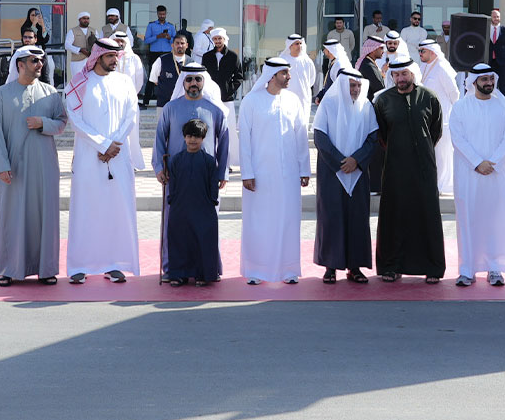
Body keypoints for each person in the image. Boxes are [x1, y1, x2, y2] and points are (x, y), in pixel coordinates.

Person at [64, 36, 140, 284]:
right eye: (110, 56)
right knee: (85, 209)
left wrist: (114, 144)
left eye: (117, 56)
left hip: (118, 157)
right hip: (88, 157)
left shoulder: (125, 82)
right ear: (97, 56)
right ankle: (79, 265)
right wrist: (103, 144)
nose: (115, 60)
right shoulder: (79, 83)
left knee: (116, 209)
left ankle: (114, 263)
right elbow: (75, 120)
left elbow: (131, 115)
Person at [0, 45, 66, 286]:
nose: (39, 65)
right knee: (11, 217)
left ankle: (46, 269)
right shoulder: (2, 94)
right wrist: (1, 165)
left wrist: (43, 122)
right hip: (13, 167)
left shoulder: (51, 93)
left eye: (41, 61)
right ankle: (9, 269)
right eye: (34, 61)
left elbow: (62, 123)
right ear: (20, 65)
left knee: (45, 216)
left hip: (44, 166)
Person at [154, 62, 232, 275]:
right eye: (189, 79)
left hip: (205, 177)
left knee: (205, 224)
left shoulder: (215, 109)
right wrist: (159, 168)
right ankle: (174, 269)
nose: (193, 83)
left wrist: (222, 171)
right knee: (176, 223)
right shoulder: (171, 108)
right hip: (176, 176)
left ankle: (206, 268)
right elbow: (160, 138)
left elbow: (224, 142)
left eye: (198, 79)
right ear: (183, 82)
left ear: (204, 82)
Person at [238, 57, 310, 284]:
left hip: (288, 174)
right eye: (285, 74)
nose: (289, 77)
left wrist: (304, 168)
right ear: (272, 76)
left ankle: (288, 270)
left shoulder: (293, 100)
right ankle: (257, 271)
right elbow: (244, 141)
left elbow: (301, 136)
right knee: (259, 221)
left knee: (288, 219)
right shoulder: (251, 101)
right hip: (260, 175)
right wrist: (246, 173)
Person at [373, 57, 445, 283]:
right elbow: (381, 135)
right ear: (391, 76)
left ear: (412, 74)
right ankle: (392, 267)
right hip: (395, 167)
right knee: (395, 215)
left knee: (426, 214)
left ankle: (431, 267)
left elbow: (436, 131)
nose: (400, 79)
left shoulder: (429, 98)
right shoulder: (383, 101)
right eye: (396, 75)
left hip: (424, 167)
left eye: (404, 74)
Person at [449, 63, 505, 287]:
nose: (489, 83)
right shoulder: (460, 107)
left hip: (496, 173)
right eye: (484, 80)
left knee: (494, 220)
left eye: (491, 79)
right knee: (468, 219)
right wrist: (478, 162)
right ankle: (467, 270)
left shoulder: (504, 108)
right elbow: (458, 139)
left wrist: (494, 162)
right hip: (469, 173)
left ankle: (495, 268)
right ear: (474, 82)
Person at [312, 68, 378, 284]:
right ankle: (330, 266)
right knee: (331, 217)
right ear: (342, 85)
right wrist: (341, 162)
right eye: (351, 85)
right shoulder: (328, 105)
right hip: (332, 171)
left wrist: (356, 160)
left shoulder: (366, 106)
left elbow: (373, 137)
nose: (356, 89)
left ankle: (355, 267)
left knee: (357, 218)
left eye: (359, 85)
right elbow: (320, 137)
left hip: (358, 172)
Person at [165, 119, 221, 287]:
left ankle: (203, 274)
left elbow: (213, 185)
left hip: (204, 206)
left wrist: (211, 201)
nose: (192, 140)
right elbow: (172, 184)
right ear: (183, 137)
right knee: (179, 239)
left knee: (203, 239)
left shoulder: (210, 161)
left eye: (197, 136)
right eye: (189, 136)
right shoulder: (175, 160)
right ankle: (178, 274)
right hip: (180, 206)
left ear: (203, 138)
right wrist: (172, 200)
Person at [418, 39, 460, 195]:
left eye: (423, 51)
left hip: (443, 119)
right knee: (431, 153)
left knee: (442, 153)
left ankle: (443, 186)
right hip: (426, 118)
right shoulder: (424, 66)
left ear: (432, 52)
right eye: (419, 51)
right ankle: (432, 183)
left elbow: (454, 93)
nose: (420, 54)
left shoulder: (442, 67)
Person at [111, 30, 147, 173]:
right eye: (117, 41)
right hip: (112, 102)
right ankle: (115, 160)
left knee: (132, 133)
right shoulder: (107, 57)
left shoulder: (134, 59)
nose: (119, 43)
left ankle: (133, 163)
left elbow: (139, 81)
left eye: (122, 41)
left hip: (130, 101)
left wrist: (130, 95)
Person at [141, 5, 176, 106]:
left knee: (169, 76)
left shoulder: (170, 26)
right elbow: (146, 40)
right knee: (153, 76)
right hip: (154, 53)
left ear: (166, 14)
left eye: (163, 14)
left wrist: (169, 38)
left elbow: (176, 40)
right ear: (157, 14)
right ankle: (146, 101)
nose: (162, 16)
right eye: (160, 14)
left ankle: (171, 100)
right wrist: (157, 37)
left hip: (167, 53)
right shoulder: (151, 26)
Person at [149, 32, 189, 115]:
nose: (180, 45)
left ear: (187, 45)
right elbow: (154, 80)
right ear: (172, 45)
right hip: (164, 104)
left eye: (182, 43)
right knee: (163, 128)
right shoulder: (161, 60)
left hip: (186, 104)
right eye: (177, 43)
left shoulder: (191, 62)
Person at [202, 27, 243, 105]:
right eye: (215, 39)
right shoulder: (206, 56)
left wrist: (229, 90)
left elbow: (239, 77)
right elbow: (203, 75)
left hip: (227, 99)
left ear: (224, 39)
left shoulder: (233, 56)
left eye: (220, 38)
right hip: (210, 97)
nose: (217, 41)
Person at [279, 33, 317, 113]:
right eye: (296, 44)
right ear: (290, 46)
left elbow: (311, 79)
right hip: (286, 99)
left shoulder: (307, 61)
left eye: (300, 43)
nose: (299, 46)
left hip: (303, 98)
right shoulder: (282, 60)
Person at [486, 8, 505, 99]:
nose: (496, 18)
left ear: (500, 18)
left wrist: (502, 54)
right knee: (488, 83)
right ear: (491, 18)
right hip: (489, 61)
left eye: (497, 17)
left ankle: (504, 104)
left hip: (501, 62)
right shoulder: (486, 30)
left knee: (503, 85)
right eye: (494, 17)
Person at [315, 39, 352, 103]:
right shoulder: (335, 63)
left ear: (330, 50)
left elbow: (342, 88)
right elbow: (330, 84)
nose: (323, 51)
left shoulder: (341, 65)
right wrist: (320, 95)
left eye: (325, 49)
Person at [64, 11, 95, 82]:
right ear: (79, 19)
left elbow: (98, 44)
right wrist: (79, 50)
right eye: (84, 18)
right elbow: (67, 45)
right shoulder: (72, 31)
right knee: (77, 81)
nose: (86, 20)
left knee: (90, 81)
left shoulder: (93, 31)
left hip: (90, 61)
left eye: (87, 18)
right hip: (77, 61)